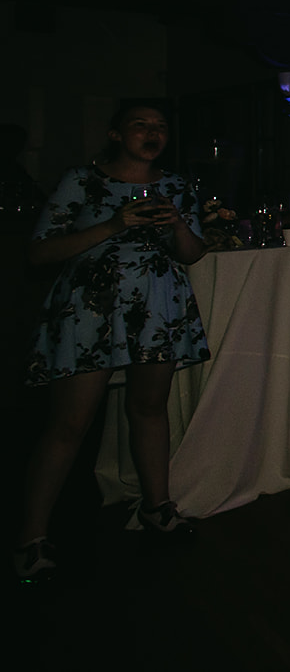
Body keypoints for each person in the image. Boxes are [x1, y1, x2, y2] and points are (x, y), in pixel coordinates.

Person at [14, 101, 209, 581]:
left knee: (149, 407)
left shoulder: (176, 185)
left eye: (160, 126)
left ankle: (157, 507)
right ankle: (30, 538)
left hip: (156, 308)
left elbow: (193, 254)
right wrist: (114, 224)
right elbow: (39, 252)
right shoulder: (82, 181)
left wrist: (178, 224)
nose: (152, 132)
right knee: (70, 424)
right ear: (116, 134)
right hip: (90, 310)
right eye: (141, 124)